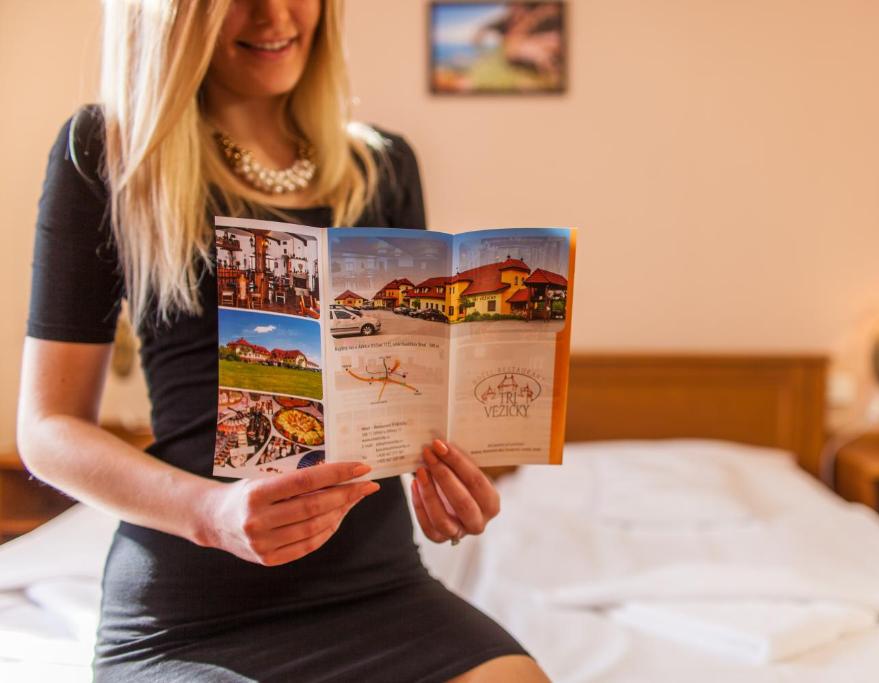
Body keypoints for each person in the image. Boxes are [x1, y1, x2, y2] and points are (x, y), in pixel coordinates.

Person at [16, 1, 549, 681]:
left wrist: (443, 481)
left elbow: (407, 405)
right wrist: (212, 512)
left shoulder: (383, 166)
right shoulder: (111, 150)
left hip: (381, 591)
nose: (273, 14)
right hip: (194, 614)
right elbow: (46, 427)